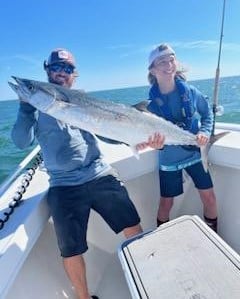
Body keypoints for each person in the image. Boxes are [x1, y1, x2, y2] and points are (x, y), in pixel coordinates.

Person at [11, 48, 165, 299]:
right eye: (56, 67)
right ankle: (84, 297)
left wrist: (142, 140)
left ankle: (148, 280)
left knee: (132, 225)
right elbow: (20, 142)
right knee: (70, 250)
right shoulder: (36, 107)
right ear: (47, 70)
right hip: (64, 185)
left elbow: (108, 134)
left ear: (75, 74)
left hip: (99, 174)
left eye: (68, 68)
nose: (62, 72)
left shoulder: (84, 101)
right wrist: (26, 106)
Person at [146, 43, 218, 232]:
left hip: (195, 154)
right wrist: (157, 145)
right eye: (162, 61)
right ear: (152, 70)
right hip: (169, 160)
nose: (169, 64)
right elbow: (150, 137)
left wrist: (204, 133)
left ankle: (213, 235)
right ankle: (162, 241)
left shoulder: (191, 92)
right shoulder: (150, 105)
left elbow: (207, 115)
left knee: (209, 197)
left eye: (171, 60)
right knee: (166, 204)